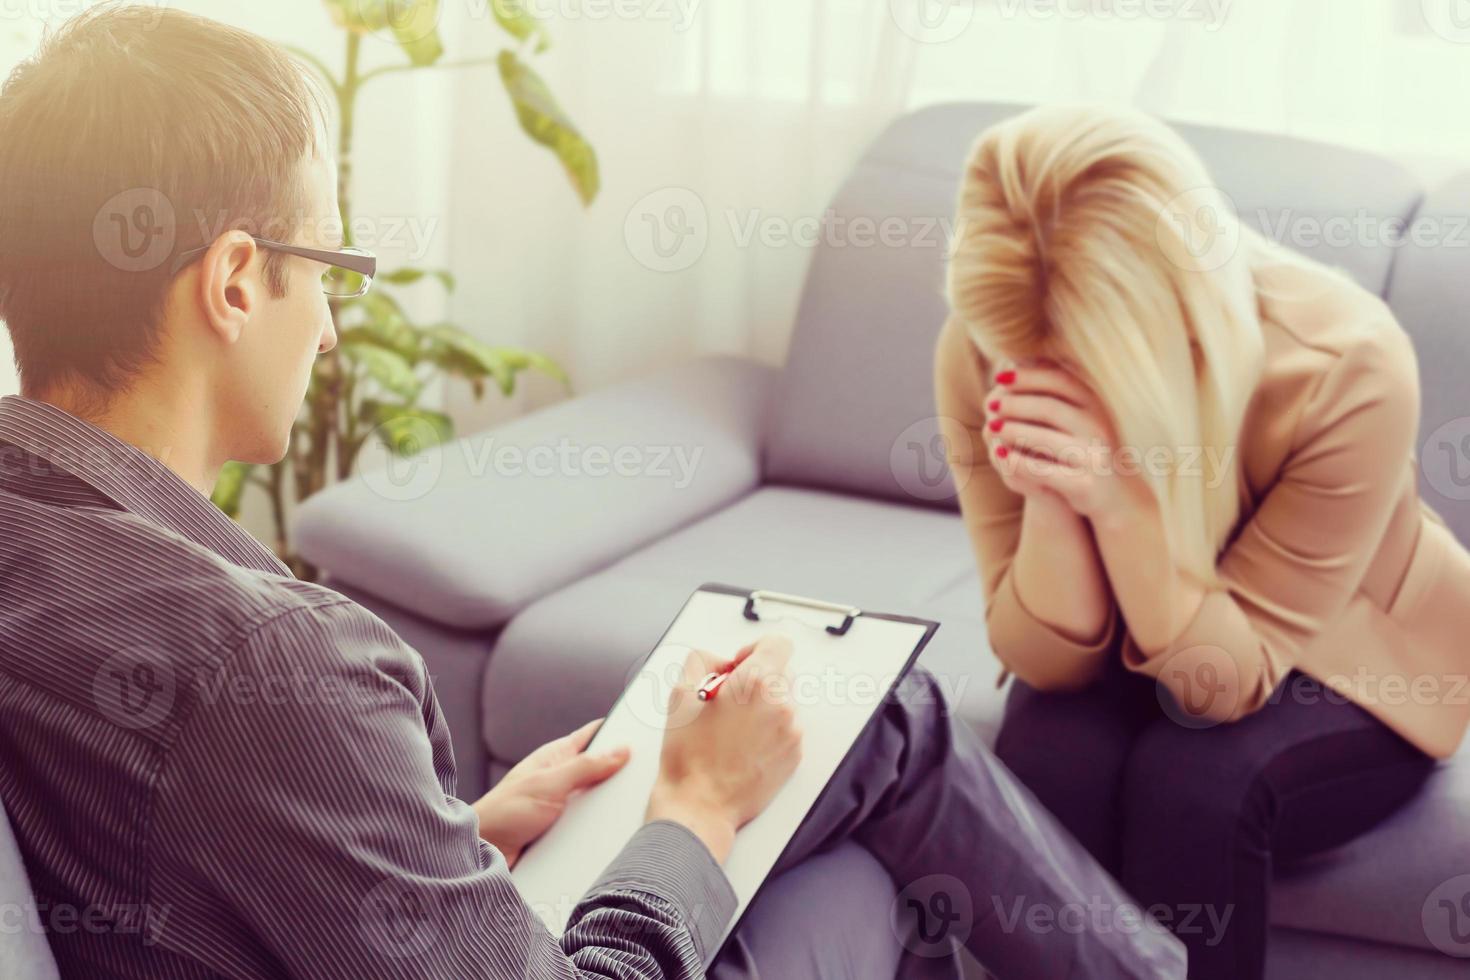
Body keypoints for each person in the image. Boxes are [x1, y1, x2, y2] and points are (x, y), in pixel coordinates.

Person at [0, 8, 1187, 979]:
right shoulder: (272, 664)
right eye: (334, 266)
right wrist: (697, 809)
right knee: (865, 768)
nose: (328, 328)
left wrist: (449, 837)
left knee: (863, 724)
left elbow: (197, 852)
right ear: (237, 282)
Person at [936, 103, 1470, 980]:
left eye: (1093, 361)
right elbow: (1045, 660)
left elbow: (1218, 685)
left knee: (1195, 784)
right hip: (1136, 624)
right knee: (1044, 756)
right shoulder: (988, 343)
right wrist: (1054, 496)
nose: (1054, 380)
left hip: (1354, 654)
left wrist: (1120, 497)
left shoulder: (1349, 361)